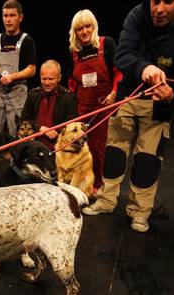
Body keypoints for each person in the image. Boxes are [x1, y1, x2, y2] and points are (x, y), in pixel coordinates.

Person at [83, 0, 174, 234]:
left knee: (147, 161)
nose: (158, 9)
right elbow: (123, 55)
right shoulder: (138, 14)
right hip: (129, 95)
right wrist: (144, 68)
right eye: (155, 1)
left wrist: (173, 94)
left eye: (168, 2)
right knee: (114, 153)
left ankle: (139, 211)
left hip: (159, 106)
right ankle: (107, 201)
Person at [67, 9, 122, 192]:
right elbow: (73, 82)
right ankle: (84, 187)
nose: (84, 31)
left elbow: (118, 73)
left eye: (87, 26)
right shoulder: (75, 52)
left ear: (94, 26)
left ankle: (100, 187)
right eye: (79, 28)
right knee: (83, 149)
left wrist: (114, 92)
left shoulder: (106, 44)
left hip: (104, 108)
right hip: (82, 108)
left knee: (99, 150)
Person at [0, 0, 37, 137]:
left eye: (12, 15)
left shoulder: (27, 41)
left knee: (18, 132)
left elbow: (31, 69)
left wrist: (12, 77)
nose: (8, 20)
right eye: (5, 16)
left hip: (17, 91)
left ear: (20, 17)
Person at [21, 60, 78, 150]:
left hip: (59, 146)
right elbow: (25, 119)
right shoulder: (33, 94)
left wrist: (55, 131)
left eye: (51, 79)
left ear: (59, 78)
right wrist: (40, 128)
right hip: (34, 145)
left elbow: (71, 123)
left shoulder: (69, 97)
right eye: (44, 79)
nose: (47, 83)